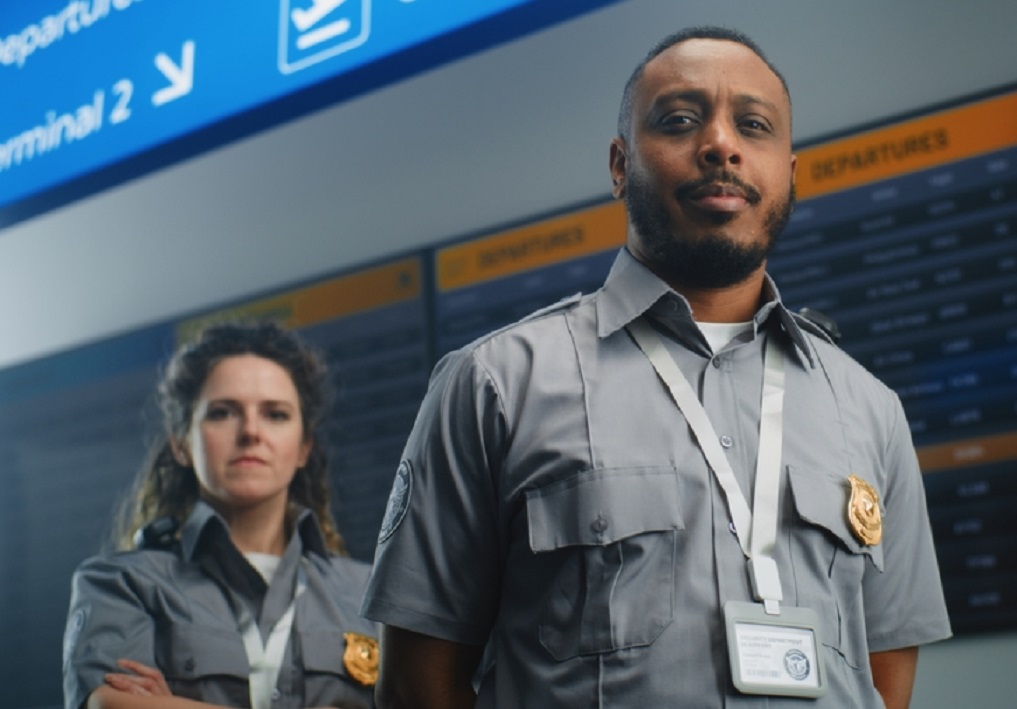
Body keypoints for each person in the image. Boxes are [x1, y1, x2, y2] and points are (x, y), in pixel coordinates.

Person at [361, 25, 951, 708]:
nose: (721, 144)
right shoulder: (494, 383)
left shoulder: (870, 410)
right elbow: (416, 682)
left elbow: (883, 682)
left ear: (789, 177)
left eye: (753, 126)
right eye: (678, 120)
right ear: (619, 165)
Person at [63, 322, 378, 709]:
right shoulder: (124, 584)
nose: (250, 432)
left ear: (303, 448)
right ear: (181, 444)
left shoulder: (371, 596)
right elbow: (112, 706)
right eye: (223, 412)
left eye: (275, 415)